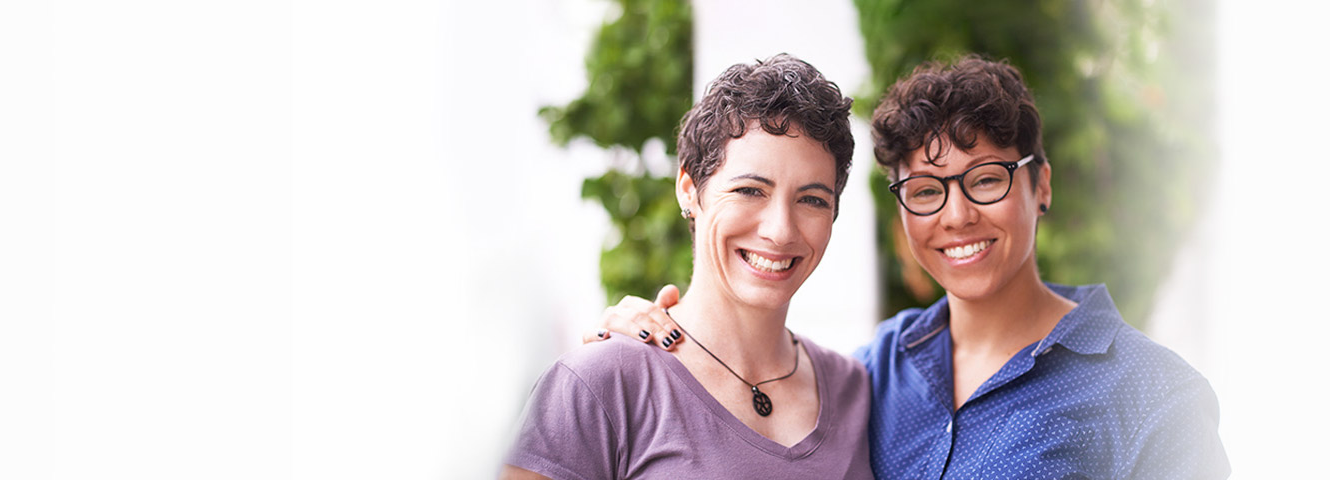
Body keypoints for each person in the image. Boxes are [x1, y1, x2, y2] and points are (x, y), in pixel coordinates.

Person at [590, 55, 1230, 479]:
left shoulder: (1154, 393)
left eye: (985, 180)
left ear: (1041, 187)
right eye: (925, 190)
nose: (956, 216)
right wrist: (643, 331)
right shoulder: (875, 371)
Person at [502, 54, 874, 480]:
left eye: (812, 199)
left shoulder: (855, 391)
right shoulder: (600, 384)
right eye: (751, 190)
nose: (780, 230)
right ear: (689, 191)